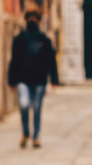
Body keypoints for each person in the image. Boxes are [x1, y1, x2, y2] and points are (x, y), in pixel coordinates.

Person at [8, 9, 59, 148]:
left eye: (35, 18)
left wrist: (54, 79)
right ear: (26, 20)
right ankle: (25, 133)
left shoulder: (44, 40)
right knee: (24, 105)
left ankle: (36, 136)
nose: (32, 21)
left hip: (39, 80)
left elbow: (51, 60)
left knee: (37, 108)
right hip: (22, 80)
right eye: (30, 18)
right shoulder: (19, 40)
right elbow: (14, 60)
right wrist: (11, 81)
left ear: (39, 21)